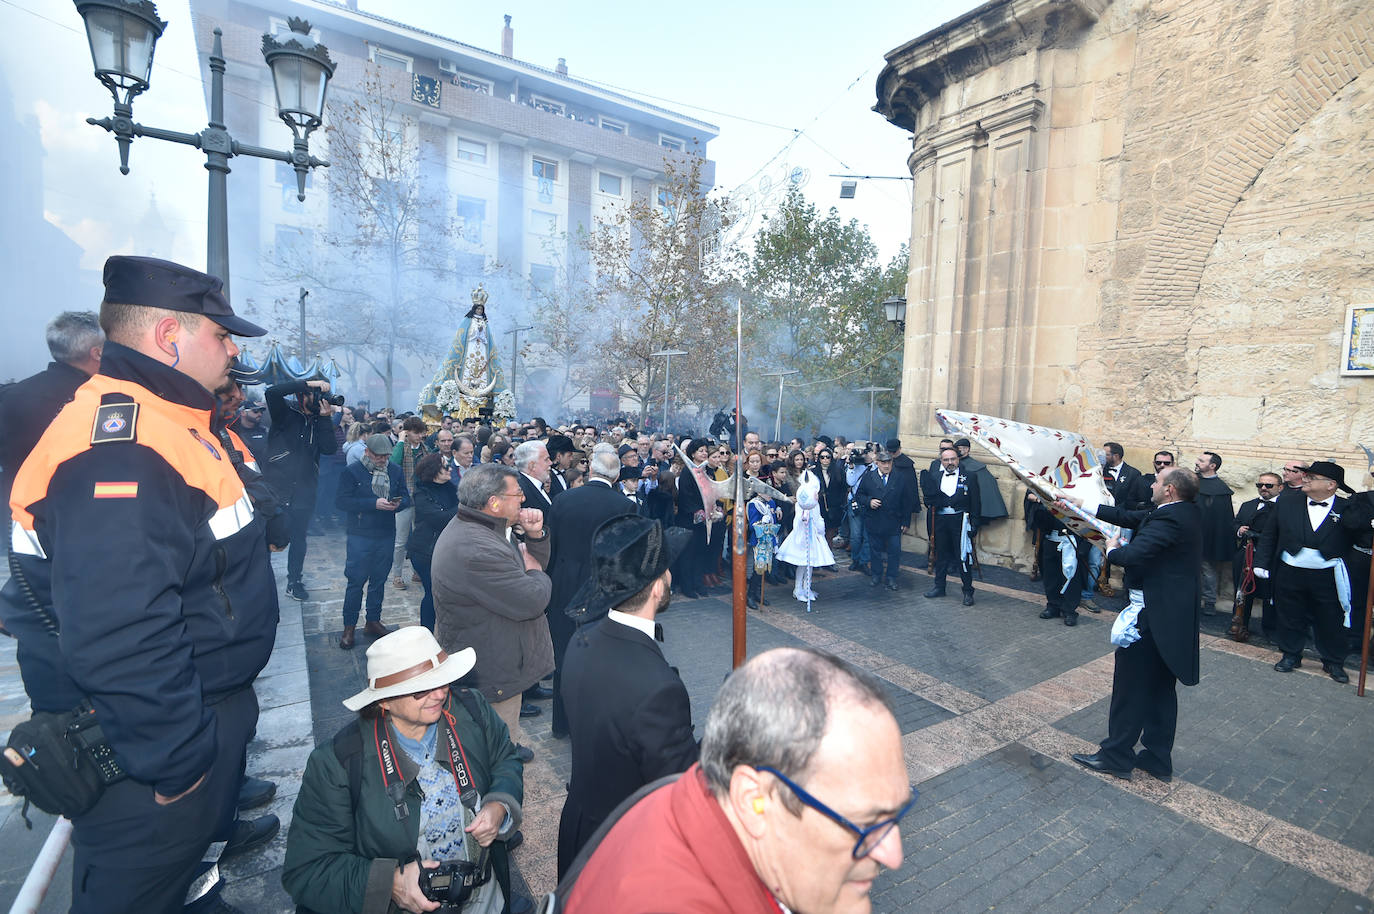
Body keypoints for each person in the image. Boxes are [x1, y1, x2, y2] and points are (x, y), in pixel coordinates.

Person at [4, 255, 277, 912]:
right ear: (167, 337)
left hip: (197, 713)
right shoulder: (123, 447)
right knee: (142, 888)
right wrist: (176, 762)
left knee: (188, 876)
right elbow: (120, 630)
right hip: (152, 745)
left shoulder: (169, 420)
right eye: (221, 333)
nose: (232, 348)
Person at [557, 647, 912, 914]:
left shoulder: (688, 797)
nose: (893, 854)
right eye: (865, 822)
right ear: (753, 800)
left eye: (897, 814)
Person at [283, 627, 528, 914]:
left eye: (443, 680)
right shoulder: (337, 763)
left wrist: (499, 803)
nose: (439, 694)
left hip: (486, 901)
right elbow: (306, 871)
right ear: (384, 701)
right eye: (421, 689)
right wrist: (388, 883)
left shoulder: (472, 709)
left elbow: (505, 759)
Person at [556, 515, 698, 878]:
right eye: (666, 571)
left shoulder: (582, 637)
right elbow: (682, 788)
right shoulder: (658, 688)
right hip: (624, 849)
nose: (670, 577)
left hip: (580, 829)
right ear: (656, 587)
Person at [1070, 467, 1202, 781]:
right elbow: (1130, 517)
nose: (1151, 485)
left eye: (1156, 482)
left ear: (1169, 490)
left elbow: (1133, 555)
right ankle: (1156, 759)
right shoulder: (1184, 512)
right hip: (1171, 616)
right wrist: (1076, 501)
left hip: (1152, 617)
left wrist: (1113, 548)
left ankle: (1116, 755)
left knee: (1131, 687)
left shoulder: (1170, 518)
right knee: (1159, 689)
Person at [432, 464, 552, 762]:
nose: (523, 500)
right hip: (489, 663)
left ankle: (506, 746)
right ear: (494, 502)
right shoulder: (477, 547)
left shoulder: (487, 527)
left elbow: (524, 569)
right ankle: (500, 766)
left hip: (498, 651)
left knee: (505, 725)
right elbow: (531, 599)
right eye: (517, 494)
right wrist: (535, 573)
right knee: (492, 739)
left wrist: (535, 537)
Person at [542, 445, 635, 740]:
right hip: (603, 591)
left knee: (564, 654)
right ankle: (590, 724)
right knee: (599, 656)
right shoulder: (624, 506)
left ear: (590, 469)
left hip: (564, 585)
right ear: (617, 475)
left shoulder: (562, 499)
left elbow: (552, 548)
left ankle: (561, 723)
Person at [1255, 461, 1359, 683]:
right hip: (1290, 570)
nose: (1305, 479)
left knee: (1330, 618)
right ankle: (1291, 654)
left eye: (1311, 477)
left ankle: (1333, 661)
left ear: (1331, 485)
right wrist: (1261, 563)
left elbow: (1358, 537)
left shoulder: (1347, 508)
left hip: (1328, 573)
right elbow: (1270, 535)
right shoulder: (1287, 503)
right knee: (1290, 614)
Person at [0, 310, 103, 509]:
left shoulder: (12, 395)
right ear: (97, 352)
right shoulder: (99, 402)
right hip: (71, 515)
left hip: (16, 514)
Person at [264, 377, 338, 601]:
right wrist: (307, 383)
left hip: (304, 490)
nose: (317, 400)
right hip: (277, 488)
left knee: (299, 538)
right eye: (313, 394)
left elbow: (329, 449)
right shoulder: (286, 413)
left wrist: (325, 419)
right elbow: (272, 392)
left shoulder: (319, 421)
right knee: (269, 537)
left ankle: (294, 581)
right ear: (301, 395)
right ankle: (261, 580)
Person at [335, 433, 408, 649]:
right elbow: (341, 501)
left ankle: (372, 621)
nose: (382, 460)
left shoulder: (394, 470)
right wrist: (372, 504)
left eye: (386, 456)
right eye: (378, 456)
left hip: (385, 534)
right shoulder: (352, 471)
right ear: (367, 452)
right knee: (356, 581)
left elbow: (406, 496)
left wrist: (398, 504)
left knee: (378, 580)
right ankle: (349, 627)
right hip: (360, 535)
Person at [923, 446, 982, 604]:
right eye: (946, 460)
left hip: (960, 520)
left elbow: (976, 502)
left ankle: (968, 591)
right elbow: (928, 500)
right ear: (941, 461)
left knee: (962, 556)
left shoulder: (970, 476)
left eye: (953, 459)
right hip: (941, 520)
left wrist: (974, 524)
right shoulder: (935, 476)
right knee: (940, 555)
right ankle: (939, 587)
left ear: (958, 459)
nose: (950, 462)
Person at [408, 453, 459, 632]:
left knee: (447, 595)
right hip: (425, 552)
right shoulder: (422, 492)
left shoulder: (450, 488)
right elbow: (440, 518)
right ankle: (426, 634)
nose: (450, 469)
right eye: (446, 466)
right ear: (434, 470)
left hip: (446, 550)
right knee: (432, 594)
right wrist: (464, 507)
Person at [1024, 491, 1090, 626]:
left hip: (1071, 540)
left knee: (1071, 577)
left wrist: (1083, 547)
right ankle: (1053, 605)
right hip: (1050, 537)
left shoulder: (1080, 487)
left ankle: (1070, 611)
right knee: (1050, 575)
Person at [1232, 472, 1282, 640]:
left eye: (1269, 485)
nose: (1263, 488)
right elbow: (1236, 523)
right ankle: (1239, 624)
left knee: (1270, 594)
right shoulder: (1248, 505)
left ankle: (1271, 630)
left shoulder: (1285, 508)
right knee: (1241, 592)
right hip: (1246, 554)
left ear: (1280, 487)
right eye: (1260, 485)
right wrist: (1240, 530)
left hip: (1270, 557)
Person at [777, 466, 836, 607]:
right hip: (803, 537)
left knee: (810, 564)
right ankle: (798, 589)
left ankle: (807, 587)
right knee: (803, 563)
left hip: (814, 536)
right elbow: (798, 521)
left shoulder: (815, 505)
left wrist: (820, 530)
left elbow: (819, 518)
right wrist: (805, 521)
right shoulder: (802, 506)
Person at [390, 416, 431, 591]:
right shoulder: (402, 448)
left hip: (421, 499)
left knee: (419, 538)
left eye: (421, 432)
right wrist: (400, 441)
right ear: (407, 433)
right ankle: (397, 575)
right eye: (416, 432)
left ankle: (417, 571)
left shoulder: (425, 450)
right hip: (404, 498)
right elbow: (393, 463)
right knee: (400, 540)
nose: (420, 435)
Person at [1194, 451, 1235, 615]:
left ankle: (1209, 601)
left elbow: (1222, 518)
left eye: (1201, 460)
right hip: (1188, 534)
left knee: (1208, 570)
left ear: (1212, 466)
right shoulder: (1191, 483)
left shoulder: (1221, 490)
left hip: (1207, 537)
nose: (1197, 462)